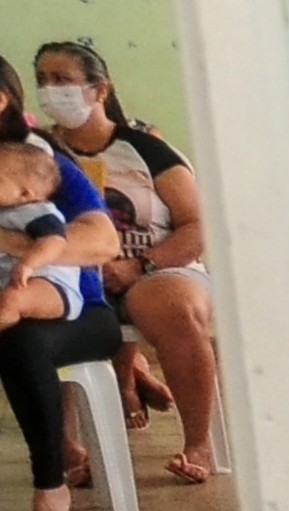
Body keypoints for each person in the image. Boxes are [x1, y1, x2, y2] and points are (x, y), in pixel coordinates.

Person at [28, 41, 218, 483]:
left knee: (168, 305)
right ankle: (68, 451)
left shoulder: (145, 148)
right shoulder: (38, 154)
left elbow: (196, 225)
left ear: (99, 89)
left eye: (63, 80)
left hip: (156, 267)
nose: (51, 90)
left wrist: (140, 265)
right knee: (37, 315)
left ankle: (197, 445)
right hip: (74, 273)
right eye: (42, 81)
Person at [0, 59, 120, 511]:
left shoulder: (34, 162)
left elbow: (103, 242)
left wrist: (12, 247)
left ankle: (52, 485)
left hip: (78, 308)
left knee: (21, 339)